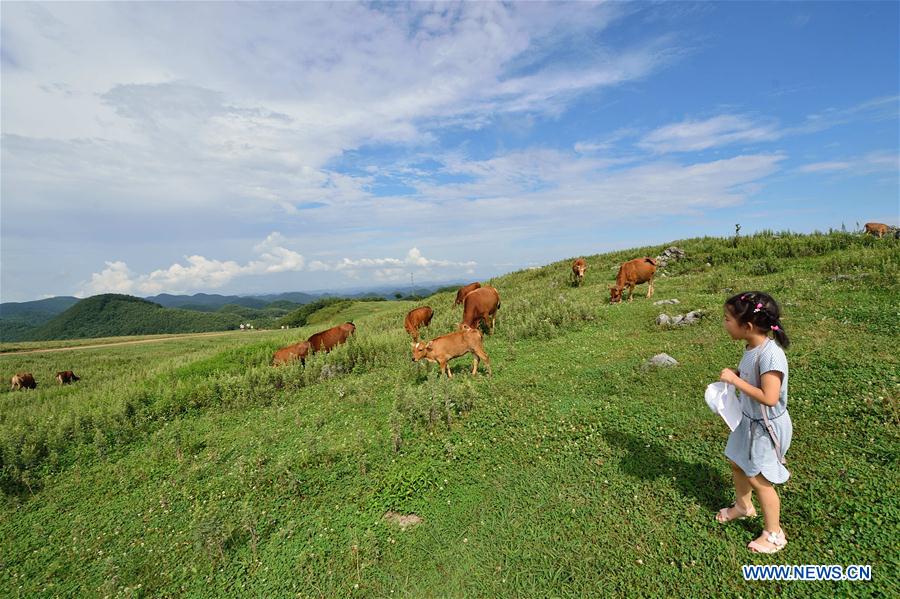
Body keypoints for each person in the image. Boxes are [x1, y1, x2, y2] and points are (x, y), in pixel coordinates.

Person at [716, 291, 792, 553]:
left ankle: (774, 534)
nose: (724, 323)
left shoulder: (771, 356)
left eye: (727, 319)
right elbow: (754, 378)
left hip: (766, 426)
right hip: (749, 421)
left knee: (760, 478)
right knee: (737, 462)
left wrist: (736, 381)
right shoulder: (752, 347)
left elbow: (770, 397)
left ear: (747, 326)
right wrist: (740, 374)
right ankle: (743, 506)